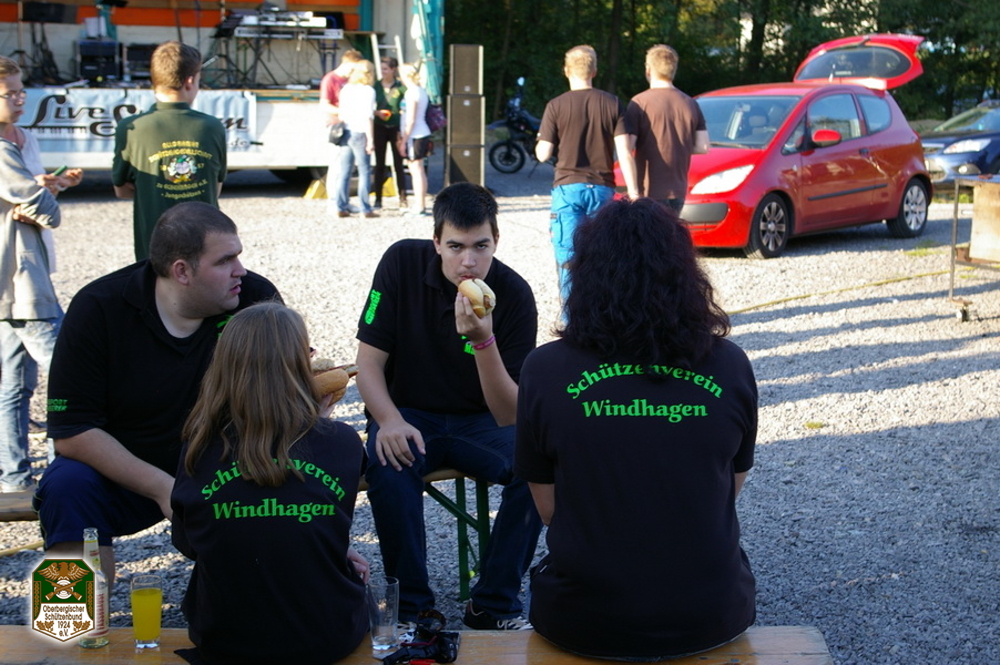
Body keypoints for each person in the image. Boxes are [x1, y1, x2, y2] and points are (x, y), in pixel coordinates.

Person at [515, 198, 757, 660]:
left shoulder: (544, 370)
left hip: (583, 618)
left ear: (586, 276)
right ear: (686, 275)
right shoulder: (730, 365)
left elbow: (550, 510)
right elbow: (725, 487)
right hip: (710, 613)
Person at [34, 201, 281, 584]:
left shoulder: (254, 299)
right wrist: (163, 488)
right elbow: (72, 432)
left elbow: (279, 400)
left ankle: (259, 604)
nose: (241, 270)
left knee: (286, 464)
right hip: (121, 469)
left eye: (238, 256)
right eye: (224, 261)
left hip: (221, 463)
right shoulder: (99, 308)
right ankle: (75, 617)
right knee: (65, 487)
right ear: (181, 271)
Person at [355, 181, 542, 629]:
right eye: (456, 246)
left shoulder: (514, 295)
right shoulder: (401, 263)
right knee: (389, 464)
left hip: (480, 420)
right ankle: (413, 609)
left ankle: (493, 603)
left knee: (540, 463)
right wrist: (388, 420)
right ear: (436, 241)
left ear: (496, 241)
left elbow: (510, 413)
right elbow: (367, 364)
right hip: (408, 413)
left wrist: (483, 342)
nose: (469, 261)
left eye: (481, 246)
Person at [171, 303, 368, 665]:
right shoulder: (342, 442)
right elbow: (319, 525)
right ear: (298, 366)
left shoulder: (198, 446)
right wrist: (319, 425)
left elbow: (190, 543)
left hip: (224, 642)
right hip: (327, 638)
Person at [0, 56, 66, 493]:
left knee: (14, 383)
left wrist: (37, 195)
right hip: (23, 280)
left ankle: (14, 476)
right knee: (69, 373)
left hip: (9, 280)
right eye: (10, 93)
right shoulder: (2, 149)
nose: (20, 99)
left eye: (21, 91)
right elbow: (43, 209)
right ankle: (67, 471)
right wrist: (45, 200)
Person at [535, 45, 637, 305]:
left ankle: (572, 321)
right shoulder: (612, 102)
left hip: (567, 189)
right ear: (594, 71)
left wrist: (539, 141)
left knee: (568, 259)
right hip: (602, 189)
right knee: (603, 258)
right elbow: (625, 153)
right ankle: (601, 316)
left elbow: (543, 154)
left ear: (566, 70)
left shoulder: (556, 105)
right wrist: (634, 193)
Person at [112, 41, 227, 262]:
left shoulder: (130, 127)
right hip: (205, 250)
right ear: (190, 81)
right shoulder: (212, 126)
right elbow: (216, 188)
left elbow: (122, 191)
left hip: (154, 252)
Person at [624, 44, 708, 212]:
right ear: (673, 70)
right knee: (671, 228)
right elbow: (703, 146)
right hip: (678, 189)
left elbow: (628, 146)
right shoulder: (690, 103)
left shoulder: (639, 103)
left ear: (648, 70)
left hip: (648, 189)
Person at [320, 49, 363, 215]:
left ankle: (344, 201)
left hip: (350, 126)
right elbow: (324, 104)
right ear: (346, 63)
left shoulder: (349, 81)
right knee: (337, 166)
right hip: (336, 126)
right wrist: (344, 112)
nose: (353, 72)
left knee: (347, 167)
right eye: (352, 68)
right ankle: (333, 202)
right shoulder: (330, 79)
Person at [333, 59, 378, 219]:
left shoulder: (346, 89)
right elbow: (368, 117)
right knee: (364, 171)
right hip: (360, 132)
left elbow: (342, 114)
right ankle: (365, 208)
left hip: (346, 131)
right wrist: (371, 140)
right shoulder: (368, 91)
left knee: (345, 171)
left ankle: (340, 206)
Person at [372, 56, 408, 211]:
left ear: (393, 70)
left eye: (386, 69)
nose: (383, 72)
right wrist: (377, 113)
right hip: (379, 127)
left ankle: (403, 198)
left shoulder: (401, 88)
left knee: (398, 164)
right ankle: (378, 199)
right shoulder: (375, 86)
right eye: (381, 69)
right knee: (379, 164)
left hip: (395, 128)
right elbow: (368, 106)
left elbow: (407, 106)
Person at [398, 63, 432, 217]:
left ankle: (420, 206)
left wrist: (404, 140)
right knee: (418, 170)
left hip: (415, 134)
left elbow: (410, 119)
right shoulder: (420, 91)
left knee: (416, 170)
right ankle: (420, 204)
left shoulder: (411, 92)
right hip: (421, 132)